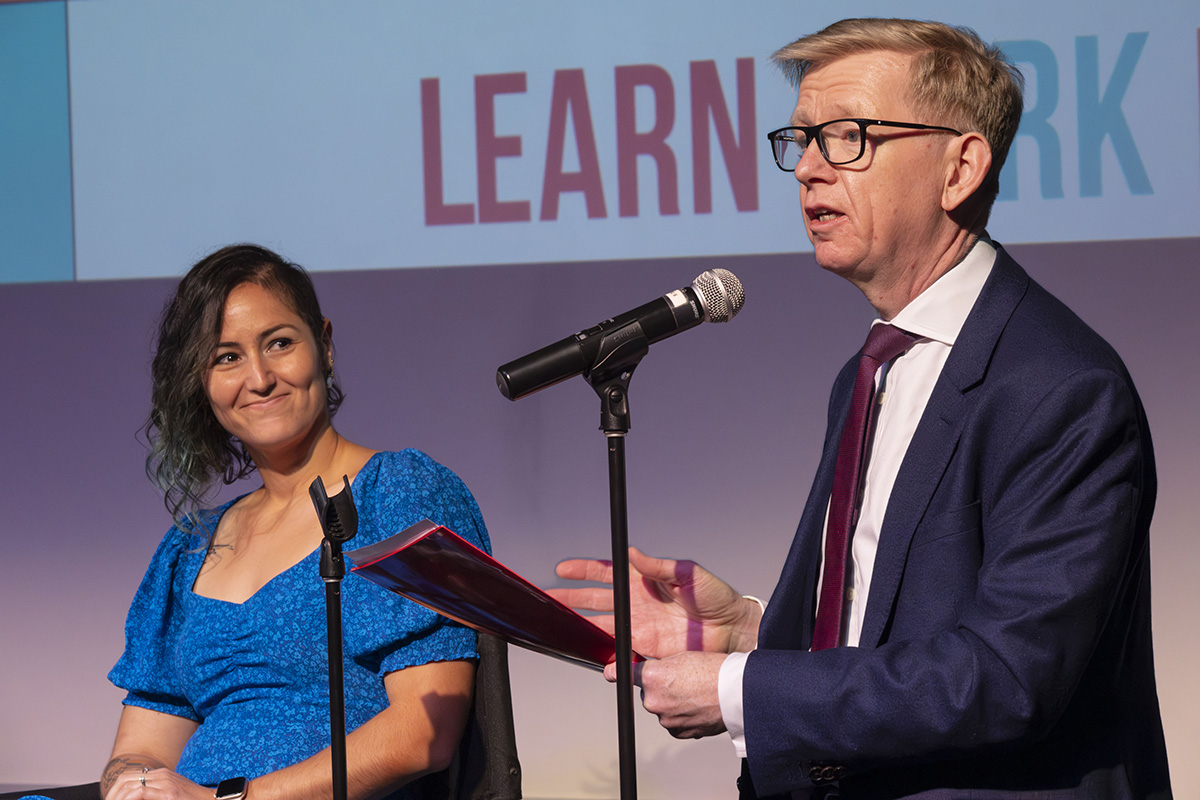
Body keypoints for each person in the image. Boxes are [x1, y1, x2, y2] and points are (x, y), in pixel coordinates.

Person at [552, 18, 1172, 799]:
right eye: (802, 139)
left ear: (960, 167)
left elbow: (1008, 674)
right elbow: (894, 618)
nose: (808, 169)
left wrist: (739, 688)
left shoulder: (1063, 389)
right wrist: (752, 627)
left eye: (847, 137)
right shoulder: (871, 368)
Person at [32, 244, 491, 800]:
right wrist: (135, 784)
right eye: (226, 357)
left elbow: (425, 735)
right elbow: (143, 747)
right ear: (200, 381)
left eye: (279, 343)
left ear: (322, 343)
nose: (260, 378)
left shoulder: (401, 493)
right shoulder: (188, 547)